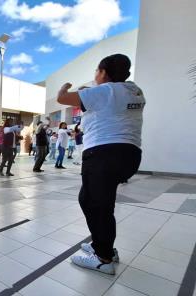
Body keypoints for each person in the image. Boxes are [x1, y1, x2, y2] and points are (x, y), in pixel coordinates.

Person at [57, 54, 144, 275]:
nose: (95, 75)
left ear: (103, 72)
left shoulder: (105, 91)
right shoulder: (135, 91)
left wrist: (68, 86)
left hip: (103, 154)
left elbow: (62, 98)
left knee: (97, 204)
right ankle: (102, 245)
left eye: (97, 70)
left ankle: (103, 258)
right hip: (130, 154)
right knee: (93, 200)